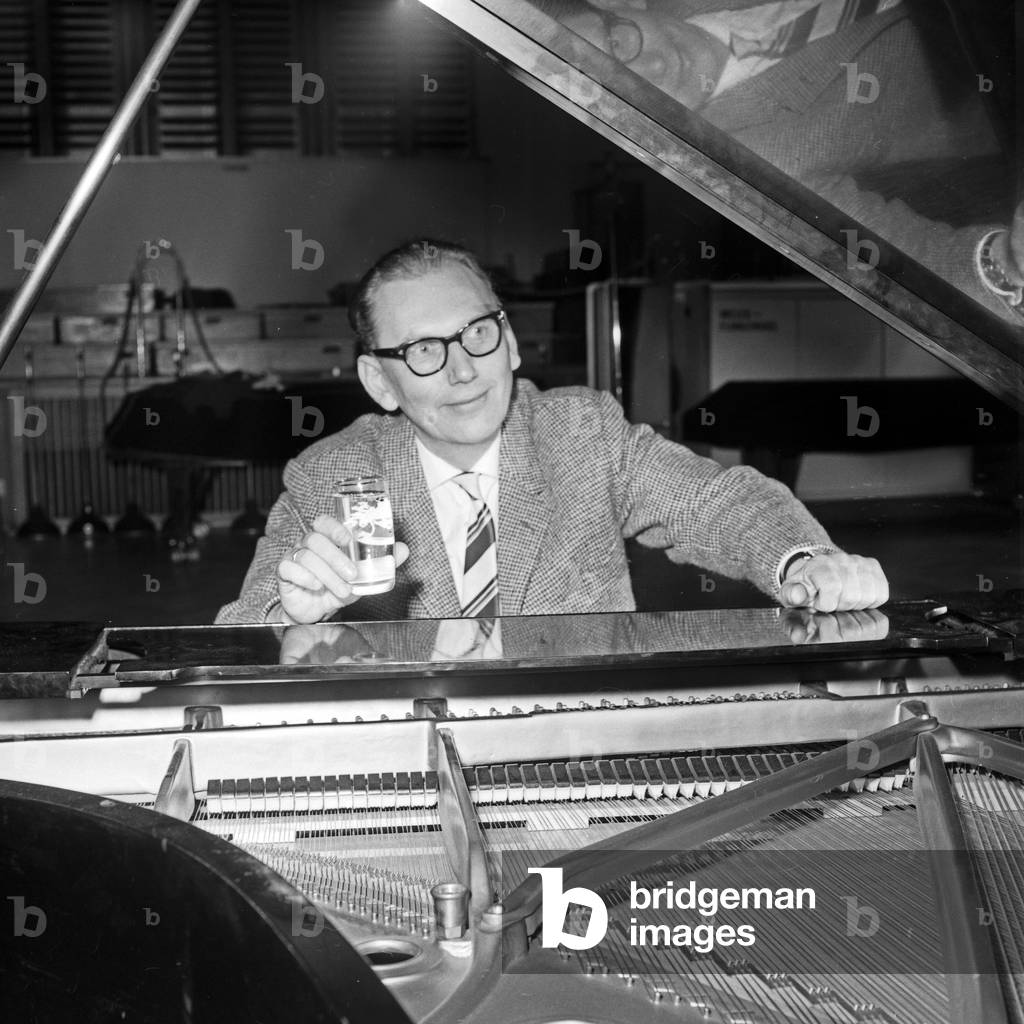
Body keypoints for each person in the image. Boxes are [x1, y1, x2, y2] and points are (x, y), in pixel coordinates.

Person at [217, 240, 887, 625]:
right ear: (379, 382)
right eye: (423, 351)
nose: (462, 370)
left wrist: (804, 562)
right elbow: (245, 623)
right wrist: (291, 618)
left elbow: (720, 503)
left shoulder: (582, 432)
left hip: (587, 758)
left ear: (509, 342)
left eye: (478, 334)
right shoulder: (331, 476)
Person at [544, 0, 1023, 323]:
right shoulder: (758, 166)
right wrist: (1008, 267)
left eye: (617, 44)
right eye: (625, 92)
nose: (653, 69)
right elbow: (909, 260)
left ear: (615, 4)